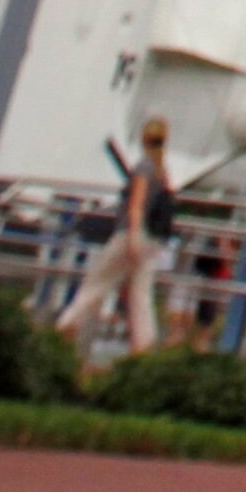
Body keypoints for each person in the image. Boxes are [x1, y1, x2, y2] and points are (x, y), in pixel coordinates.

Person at [59, 114, 175, 358]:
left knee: (96, 284)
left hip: (130, 234)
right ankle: (145, 348)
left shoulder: (144, 168)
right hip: (152, 239)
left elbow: (136, 206)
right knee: (140, 295)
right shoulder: (163, 171)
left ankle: (64, 327)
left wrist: (132, 236)